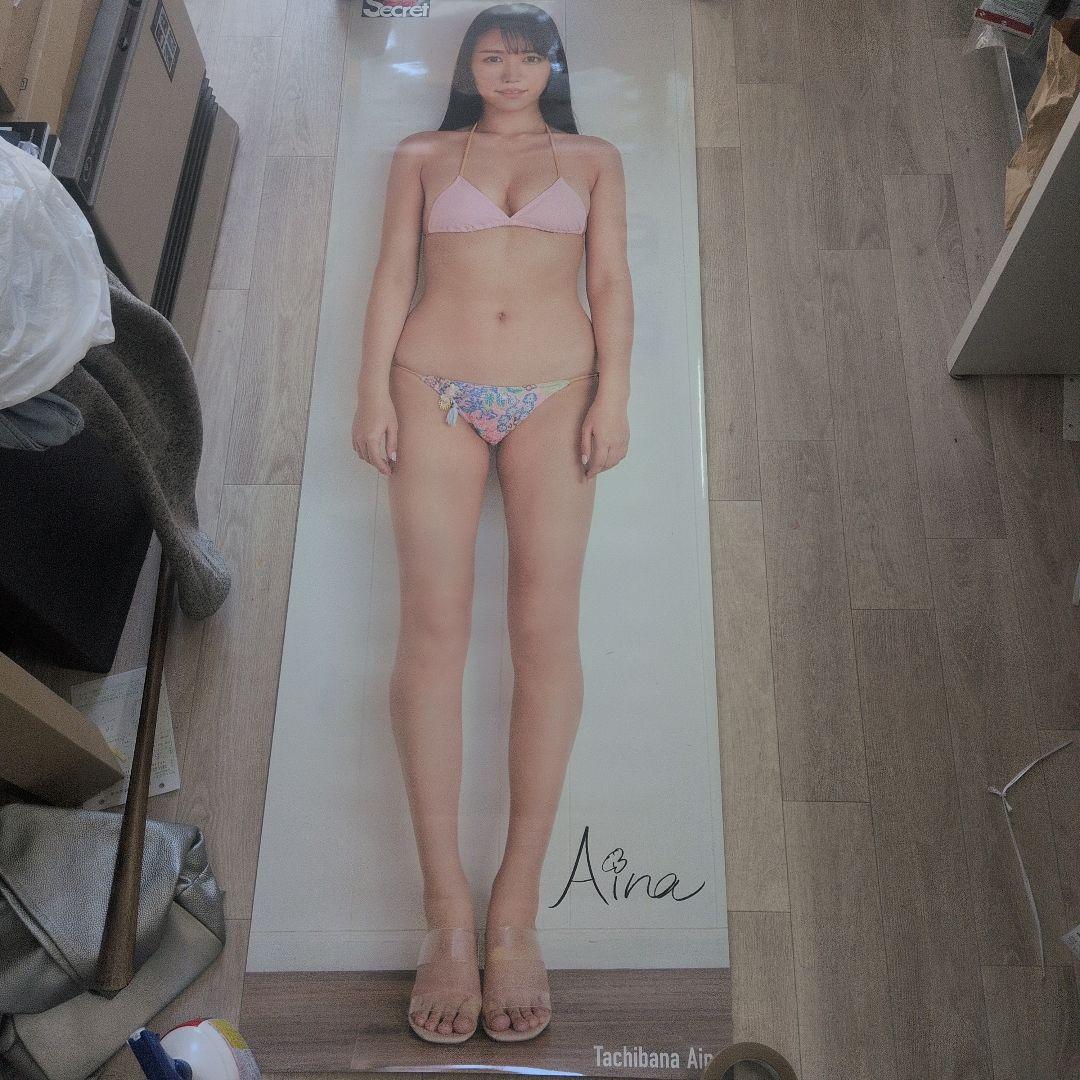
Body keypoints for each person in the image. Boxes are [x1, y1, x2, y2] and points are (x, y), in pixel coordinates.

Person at [351, 2, 633, 1045]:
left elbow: (610, 283)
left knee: (545, 636)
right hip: (430, 386)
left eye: (528, 55)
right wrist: (369, 392)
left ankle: (514, 916)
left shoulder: (594, 160)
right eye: (492, 53)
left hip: (559, 391)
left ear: (552, 66)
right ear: (469, 66)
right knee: (431, 632)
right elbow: (394, 275)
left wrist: (615, 398)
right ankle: (445, 917)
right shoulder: (423, 155)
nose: (511, 69)